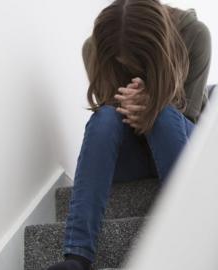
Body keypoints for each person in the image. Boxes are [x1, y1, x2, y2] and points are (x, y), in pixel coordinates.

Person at [46, 1, 211, 270]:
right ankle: (76, 256)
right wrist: (133, 107)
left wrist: (154, 104)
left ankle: (189, 235)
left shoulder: (194, 35)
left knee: (165, 116)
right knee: (105, 117)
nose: (129, 68)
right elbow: (114, 123)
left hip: (180, 151)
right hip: (133, 156)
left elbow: (188, 119)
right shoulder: (95, 48)